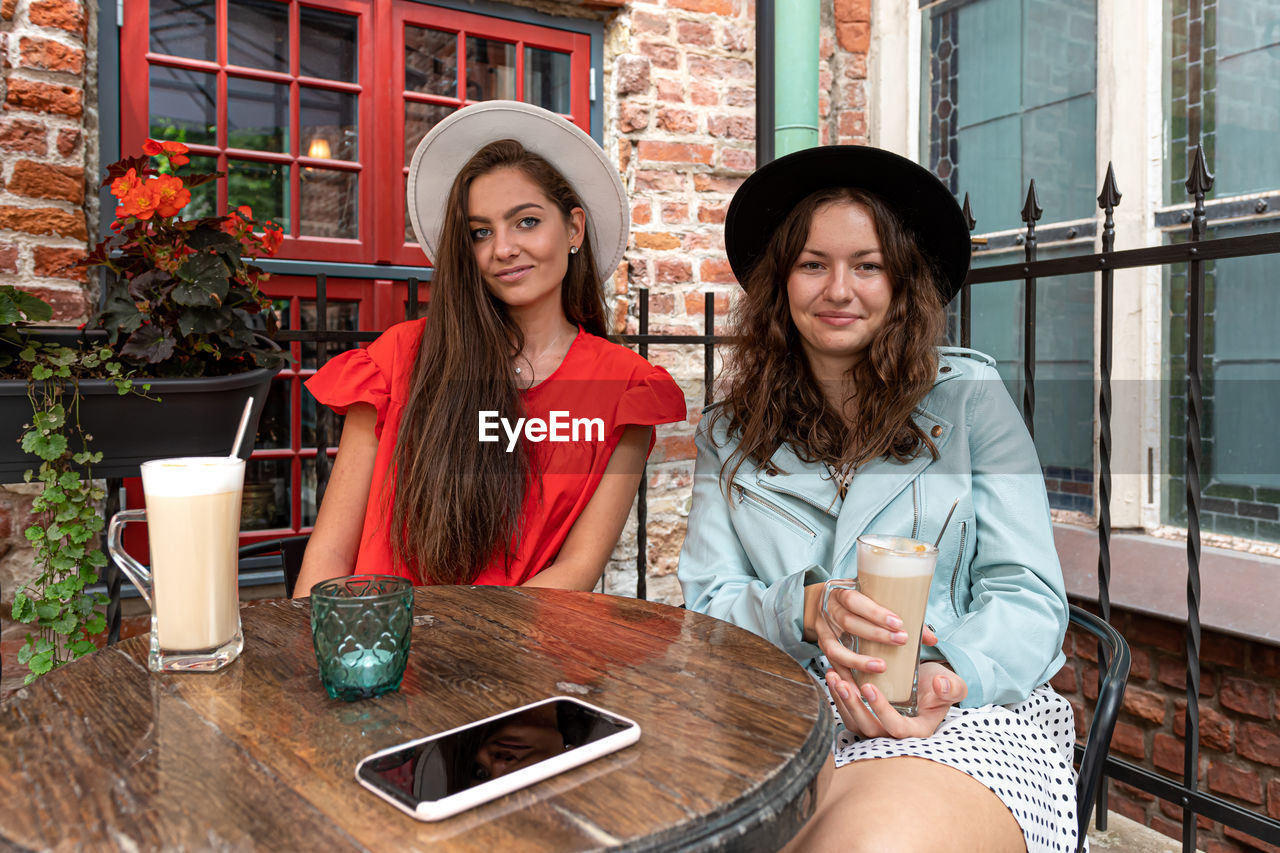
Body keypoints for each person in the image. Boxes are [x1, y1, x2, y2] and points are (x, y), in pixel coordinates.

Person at [677, 145, 1077, 853]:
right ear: (781, 282)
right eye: (812, 264)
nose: (839, 289)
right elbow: (708, 607)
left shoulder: (970, 401)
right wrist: (802, 609)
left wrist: (943, 672)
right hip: (779, 713)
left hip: (964, 715)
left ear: (900, 283)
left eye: (867, 265)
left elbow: (1028, 595)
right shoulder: (727, 435)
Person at [295, 101, 685, 594]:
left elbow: (577, 571)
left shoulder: (626, 388)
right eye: (481, 232)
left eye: (526, 222)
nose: (502, 248)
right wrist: (321, 653)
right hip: (378, 651)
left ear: (574, 229)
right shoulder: (398, 358)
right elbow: (331, 551)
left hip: (520, 655)